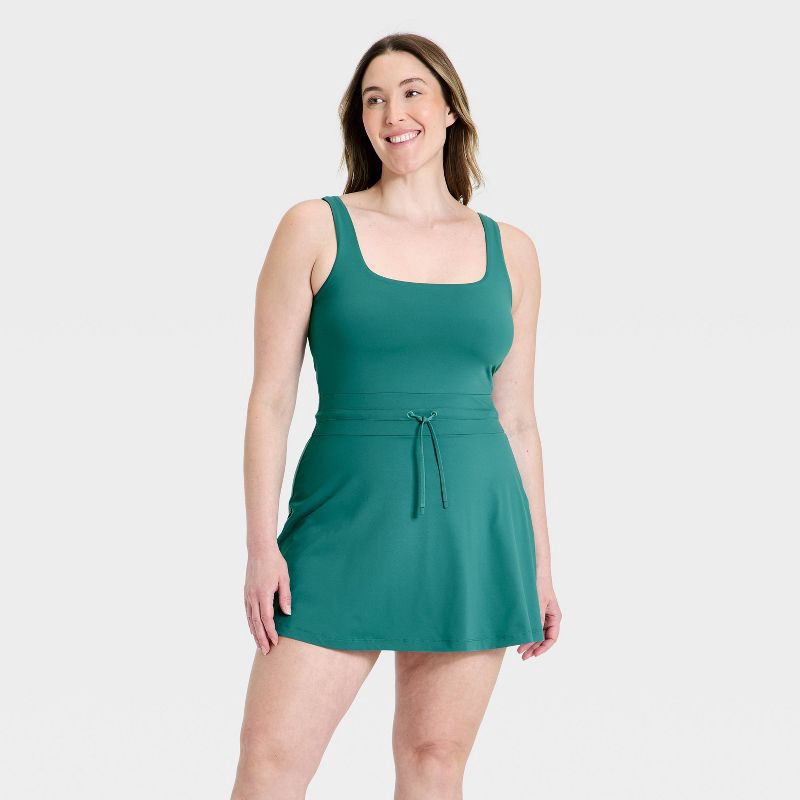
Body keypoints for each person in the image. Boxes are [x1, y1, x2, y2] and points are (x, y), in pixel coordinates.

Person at [231, 32, 562, 800]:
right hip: (342, 520)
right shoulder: (313, 227)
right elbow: (271, 398)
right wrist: (260, 544)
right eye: (374, 99)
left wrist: (540, 565)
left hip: (475, 526)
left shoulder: (512, 250)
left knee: (435, 760)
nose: (393, 113)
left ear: (449, 110)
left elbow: (518, 419)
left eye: (412, 92)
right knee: (272, 764)